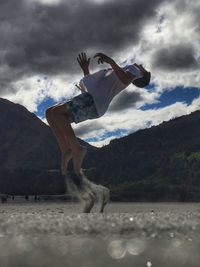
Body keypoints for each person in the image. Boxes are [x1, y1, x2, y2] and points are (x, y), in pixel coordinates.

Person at [46, 52, 151, 176]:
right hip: (93, 103)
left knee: (56, 113)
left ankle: (76, 149)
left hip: (93, 102)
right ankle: (66, 151)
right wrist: (86, 70)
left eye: (143, 68)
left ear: (142, 74)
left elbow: (125, 79)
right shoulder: (121, 72)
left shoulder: (134, 71)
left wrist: (110, 60)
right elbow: (94, 86)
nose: (140, 65)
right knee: (50, 113)